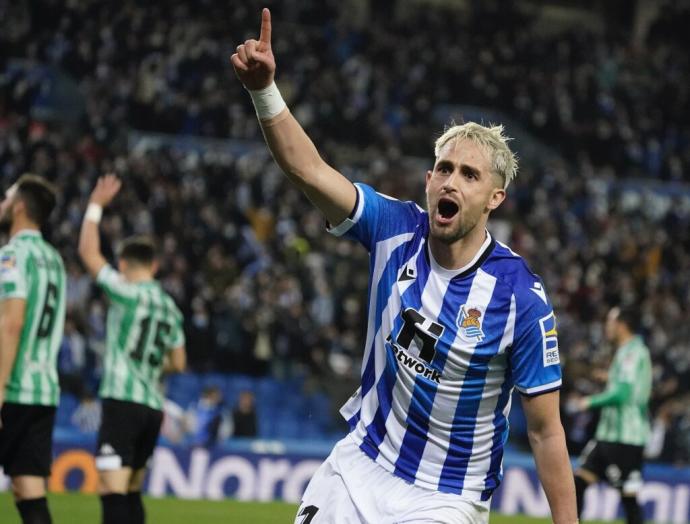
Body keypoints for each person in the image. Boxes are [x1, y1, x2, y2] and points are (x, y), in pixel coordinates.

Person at [232, 9, 577, 523]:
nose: (451, 182)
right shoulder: (394, 229)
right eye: (444, 168)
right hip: (359, 467)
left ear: (494, 198)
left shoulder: (519, 298)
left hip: (445, 498)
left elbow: (546, 430)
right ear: (428, 179)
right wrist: (265, 91)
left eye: (469, 174)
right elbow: (307, 170)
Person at [78, 175, 186, 524]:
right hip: (152, 409)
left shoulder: (124, 291)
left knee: (112, 492)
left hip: (122, 402)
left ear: (123, 265)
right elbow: (179, 363)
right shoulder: (172, 308)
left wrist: (95, 205)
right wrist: (151, 367)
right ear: (154, 266)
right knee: (132, 490)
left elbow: (88, 254)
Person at [0, 174, 66, 524]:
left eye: (6, 198)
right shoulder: (55, 261)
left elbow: (11, 324)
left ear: (19, 207)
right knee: (29, 492)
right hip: (42, 391)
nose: (2, 204)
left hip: (11, 388)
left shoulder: (12, 255)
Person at [574, 306, 652, 524]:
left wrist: (590, 401)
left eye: (609, 322)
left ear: (621, 324)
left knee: (628, 498)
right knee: (578, 483)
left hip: (625, 437)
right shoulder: (627, 351)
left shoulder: (633, 352)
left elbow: (622, 393)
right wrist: (608, 377)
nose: (606, 327)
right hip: (608, 435)